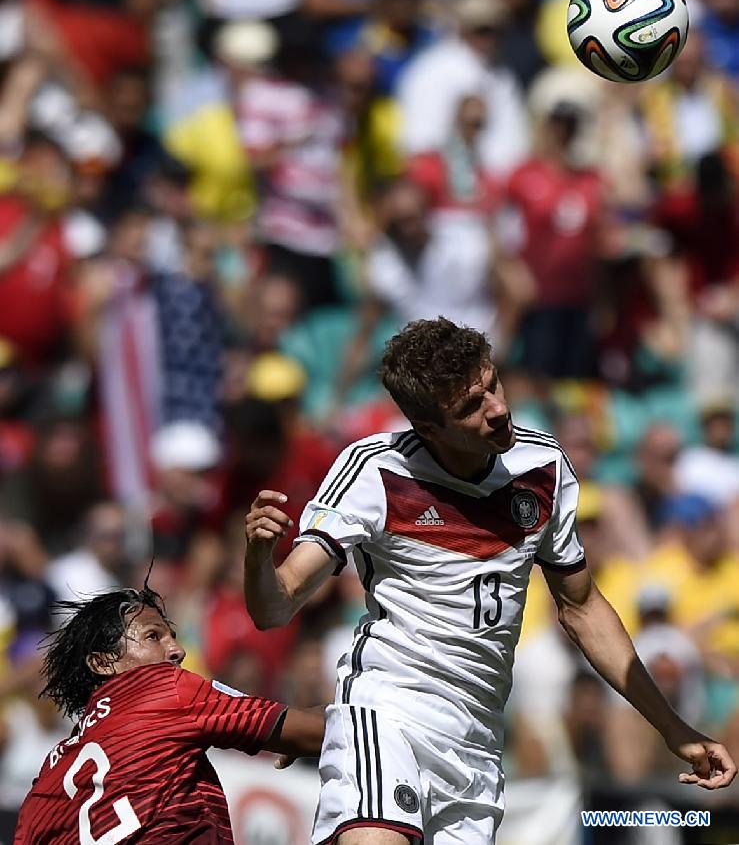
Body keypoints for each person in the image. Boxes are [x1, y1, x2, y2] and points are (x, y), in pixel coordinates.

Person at [245, 316, 736, 845]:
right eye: (470, 407)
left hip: (478, 741)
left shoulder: (543, 467)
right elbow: (276, 607)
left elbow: (582, 607)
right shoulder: (375, 472)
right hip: (388, 712)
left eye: (493, 385)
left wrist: (672, 727)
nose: (498, 408)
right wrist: (257, 555)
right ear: (428, 428)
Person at [14, 584, 325, 843]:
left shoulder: (49, 776)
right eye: (154, 636)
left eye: (172, 636)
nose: (178, 650)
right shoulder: (162, 688)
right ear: (103, 662)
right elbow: (317, 731)